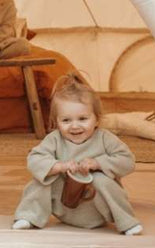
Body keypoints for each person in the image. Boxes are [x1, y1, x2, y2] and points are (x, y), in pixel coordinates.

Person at [12, 73, 143, 236]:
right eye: (66, 120)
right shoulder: (54, 139)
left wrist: (98, 164)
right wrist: (58, 166)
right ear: (56, 122)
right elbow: (34, 159)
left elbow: (127, 161)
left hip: (95, 207)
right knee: (41, 180)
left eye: (82, 119)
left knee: (103, 181)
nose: (75, 126)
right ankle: (29, 216)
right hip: (64, 205)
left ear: (96, 119)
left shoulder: (105, 139)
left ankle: (126, 222)